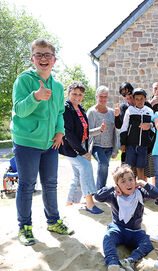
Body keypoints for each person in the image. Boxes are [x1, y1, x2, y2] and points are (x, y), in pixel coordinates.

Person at [11, 38, 73, 246]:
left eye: (47, 55)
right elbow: (19, 110)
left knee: (51, 184)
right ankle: (25, 227)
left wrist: (60, 131)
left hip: (50, 144)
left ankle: (53, 221)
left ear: (54, 60)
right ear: (33, 58)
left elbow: (59, 112)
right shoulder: (24, 80)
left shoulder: (57, 85)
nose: (43, 59)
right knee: (27, 185)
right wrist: (35, 96)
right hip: (27, 142)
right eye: (39, 55)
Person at [94, 164, 158, 271]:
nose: (128, 183)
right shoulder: (114, 195)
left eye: (131, 179)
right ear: (118, 185)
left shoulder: (140, 193)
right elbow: (97, 197)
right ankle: (113, 263)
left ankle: (130, 260)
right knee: (108, 237)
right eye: (123, 181)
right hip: (118, 229)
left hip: (136, 232)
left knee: (150, 242)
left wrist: (144, 184)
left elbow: (157, 194)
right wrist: (112, 188)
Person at [59, 81, 103, 214]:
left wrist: (99, 130)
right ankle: (89, 203)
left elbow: (84, 131)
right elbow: (69, 133)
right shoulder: (66, 108)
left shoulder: (80, 108)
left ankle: (70, 203)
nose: (77, 97)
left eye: (80, 94)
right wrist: (83, 152)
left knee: (78, 175)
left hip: (81, 145)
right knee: (85, 166)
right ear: (68, 94)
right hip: (70, 147)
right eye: (74, 94)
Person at [87, 85, 118, 189]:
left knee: (104, 167)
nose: (103, 99)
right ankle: (100, 189)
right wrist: (99, 130)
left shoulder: (111, 112)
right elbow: (87, 132)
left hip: (109, 146)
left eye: (105, 96)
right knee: (104, 164)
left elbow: (115, 132)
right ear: (96, 97)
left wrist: (115, 150)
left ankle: (100, 189)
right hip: (96, 145)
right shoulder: (91, 112)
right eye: (101, 96)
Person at [120, 88, 154, 180]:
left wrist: (150, 125)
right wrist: (123, 143)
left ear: (145, 99)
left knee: (141, 168)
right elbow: (124, 127)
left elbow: (154, 126)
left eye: (141, 99)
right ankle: (131, 188)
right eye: (137, 99)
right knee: (130, 168)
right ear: (134, 100)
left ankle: (141, 189)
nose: (139, 101)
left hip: (143, 145)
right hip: (130, 145)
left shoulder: (149, 111)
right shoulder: (130, 110)